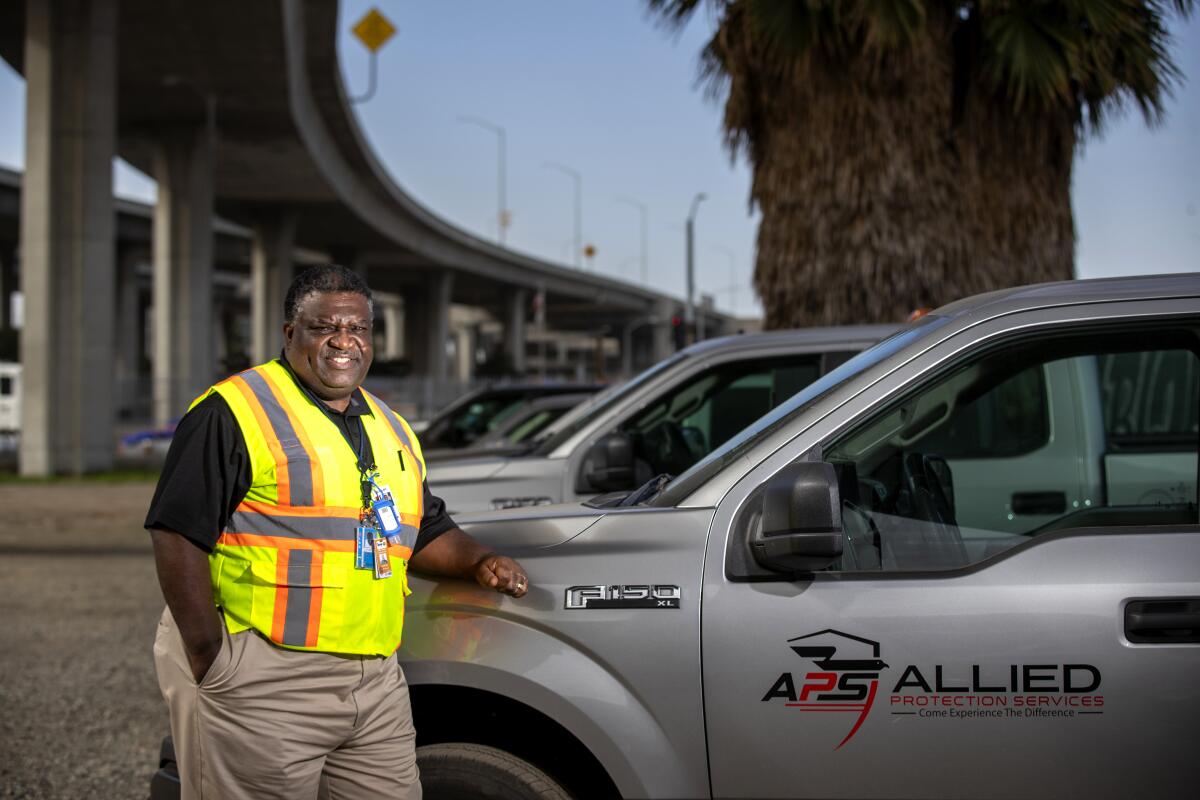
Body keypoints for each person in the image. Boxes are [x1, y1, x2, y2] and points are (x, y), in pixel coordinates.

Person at [146, 264, 529, 799]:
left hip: (374, 682)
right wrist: (213, 661)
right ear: (290, 334)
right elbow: (176, 534)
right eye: (325, 328)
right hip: (264, 674)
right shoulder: (234, 411)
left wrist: (476, 560)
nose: (343, 341)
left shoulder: (391, 426)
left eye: (358, 329)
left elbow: (422, 527)